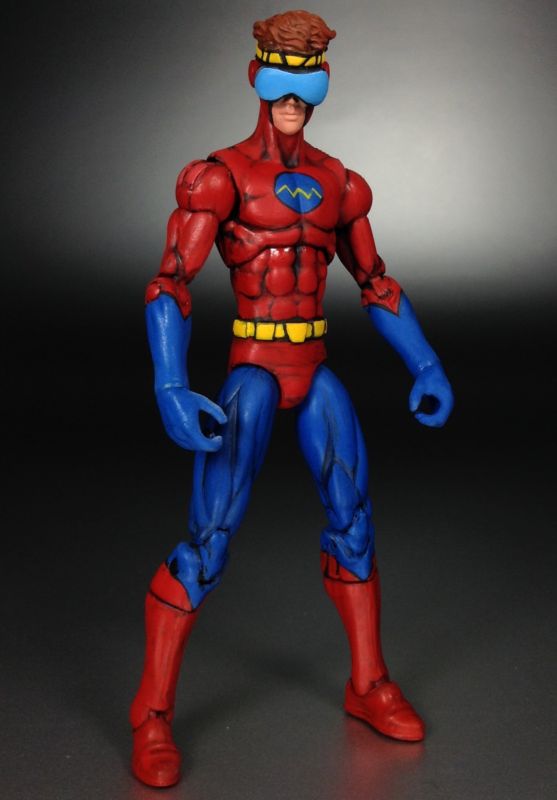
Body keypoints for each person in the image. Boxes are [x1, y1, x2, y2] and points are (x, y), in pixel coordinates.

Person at [131, 10, 454, 788]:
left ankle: (367, 683)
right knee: (209, 540)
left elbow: (375, 281)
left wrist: (425, 363)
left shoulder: (341, 182)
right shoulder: (217, 178)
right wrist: (170, 384)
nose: (290, 101)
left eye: (306, 85)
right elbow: (170, 283)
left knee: (354, 523)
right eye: (280, 81)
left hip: (316, 369)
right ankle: (152, 712)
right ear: (256, 77)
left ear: (321, 87)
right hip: (252, 369)